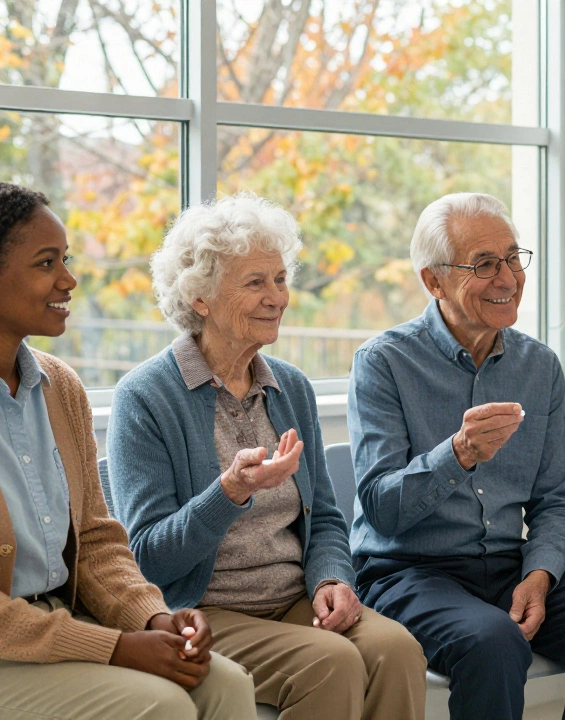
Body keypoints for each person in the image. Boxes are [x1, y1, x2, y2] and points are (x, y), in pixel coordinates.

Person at [0, 182, 255, 720]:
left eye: (65, 259)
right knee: (158, 706)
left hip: (51, 624)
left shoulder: (59, 387)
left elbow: (95, 538)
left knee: (225, 684)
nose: (69, 279)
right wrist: (113, 647)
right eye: (46, 264)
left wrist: (153, 619)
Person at [106, 193, 427, 720]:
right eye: (255, 282)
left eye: (280, 279)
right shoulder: (146, 397)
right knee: (331, 662)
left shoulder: (290, 388)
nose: (277, 296)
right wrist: (230, 492)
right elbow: (145, 557)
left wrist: (331, 580)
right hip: (203, 609)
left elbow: (323, 514)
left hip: (294, 596)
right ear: (201, 298)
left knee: (396, 649)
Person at [348, 192, 565, 720]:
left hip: (511, 565)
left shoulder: (539, 366)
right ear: (433, 281)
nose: (508, 278)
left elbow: (558, 500)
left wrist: (540, 575)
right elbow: (381, 508)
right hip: (409, 572)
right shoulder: (383, 363)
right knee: (493, 643)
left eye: (513, 258)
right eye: (484, 265)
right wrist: (459, 454)